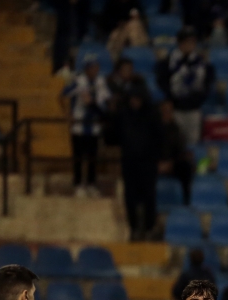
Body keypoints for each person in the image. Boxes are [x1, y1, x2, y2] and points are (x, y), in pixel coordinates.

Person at [156, 27, 214, 147]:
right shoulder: (169, 62)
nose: (189, 45)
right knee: (176, 142)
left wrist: (198, 99)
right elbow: (162, 82)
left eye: (192, 42)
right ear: (180, 43)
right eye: (186, 42)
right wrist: (173, 98)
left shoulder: (201, 63)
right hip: (176, 109)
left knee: (193, 143)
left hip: (194, 108)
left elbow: (207, 83)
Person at [116, 92, 161, 239]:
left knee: (149, 196)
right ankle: (133, 227)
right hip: (129, 164)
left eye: (137, 99)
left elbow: (159, 138)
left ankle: (149, 228)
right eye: (132, 99)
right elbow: (116, 136)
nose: (134, 102)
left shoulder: (152, 116)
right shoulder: (124, 115)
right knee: (130, 197)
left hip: (148, 163)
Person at [64, 56, 110, 197]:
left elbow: (106, 100)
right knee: (78, 157)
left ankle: (91, 183)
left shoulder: (101, 82)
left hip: (94, 125)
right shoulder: (78, 81)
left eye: (96, 68)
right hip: (79, 125)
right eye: (92, 68)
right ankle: (78, 184)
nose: (94, 70)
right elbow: (62, 95)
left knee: (92, 157)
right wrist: (68, 115)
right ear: (86, 69)